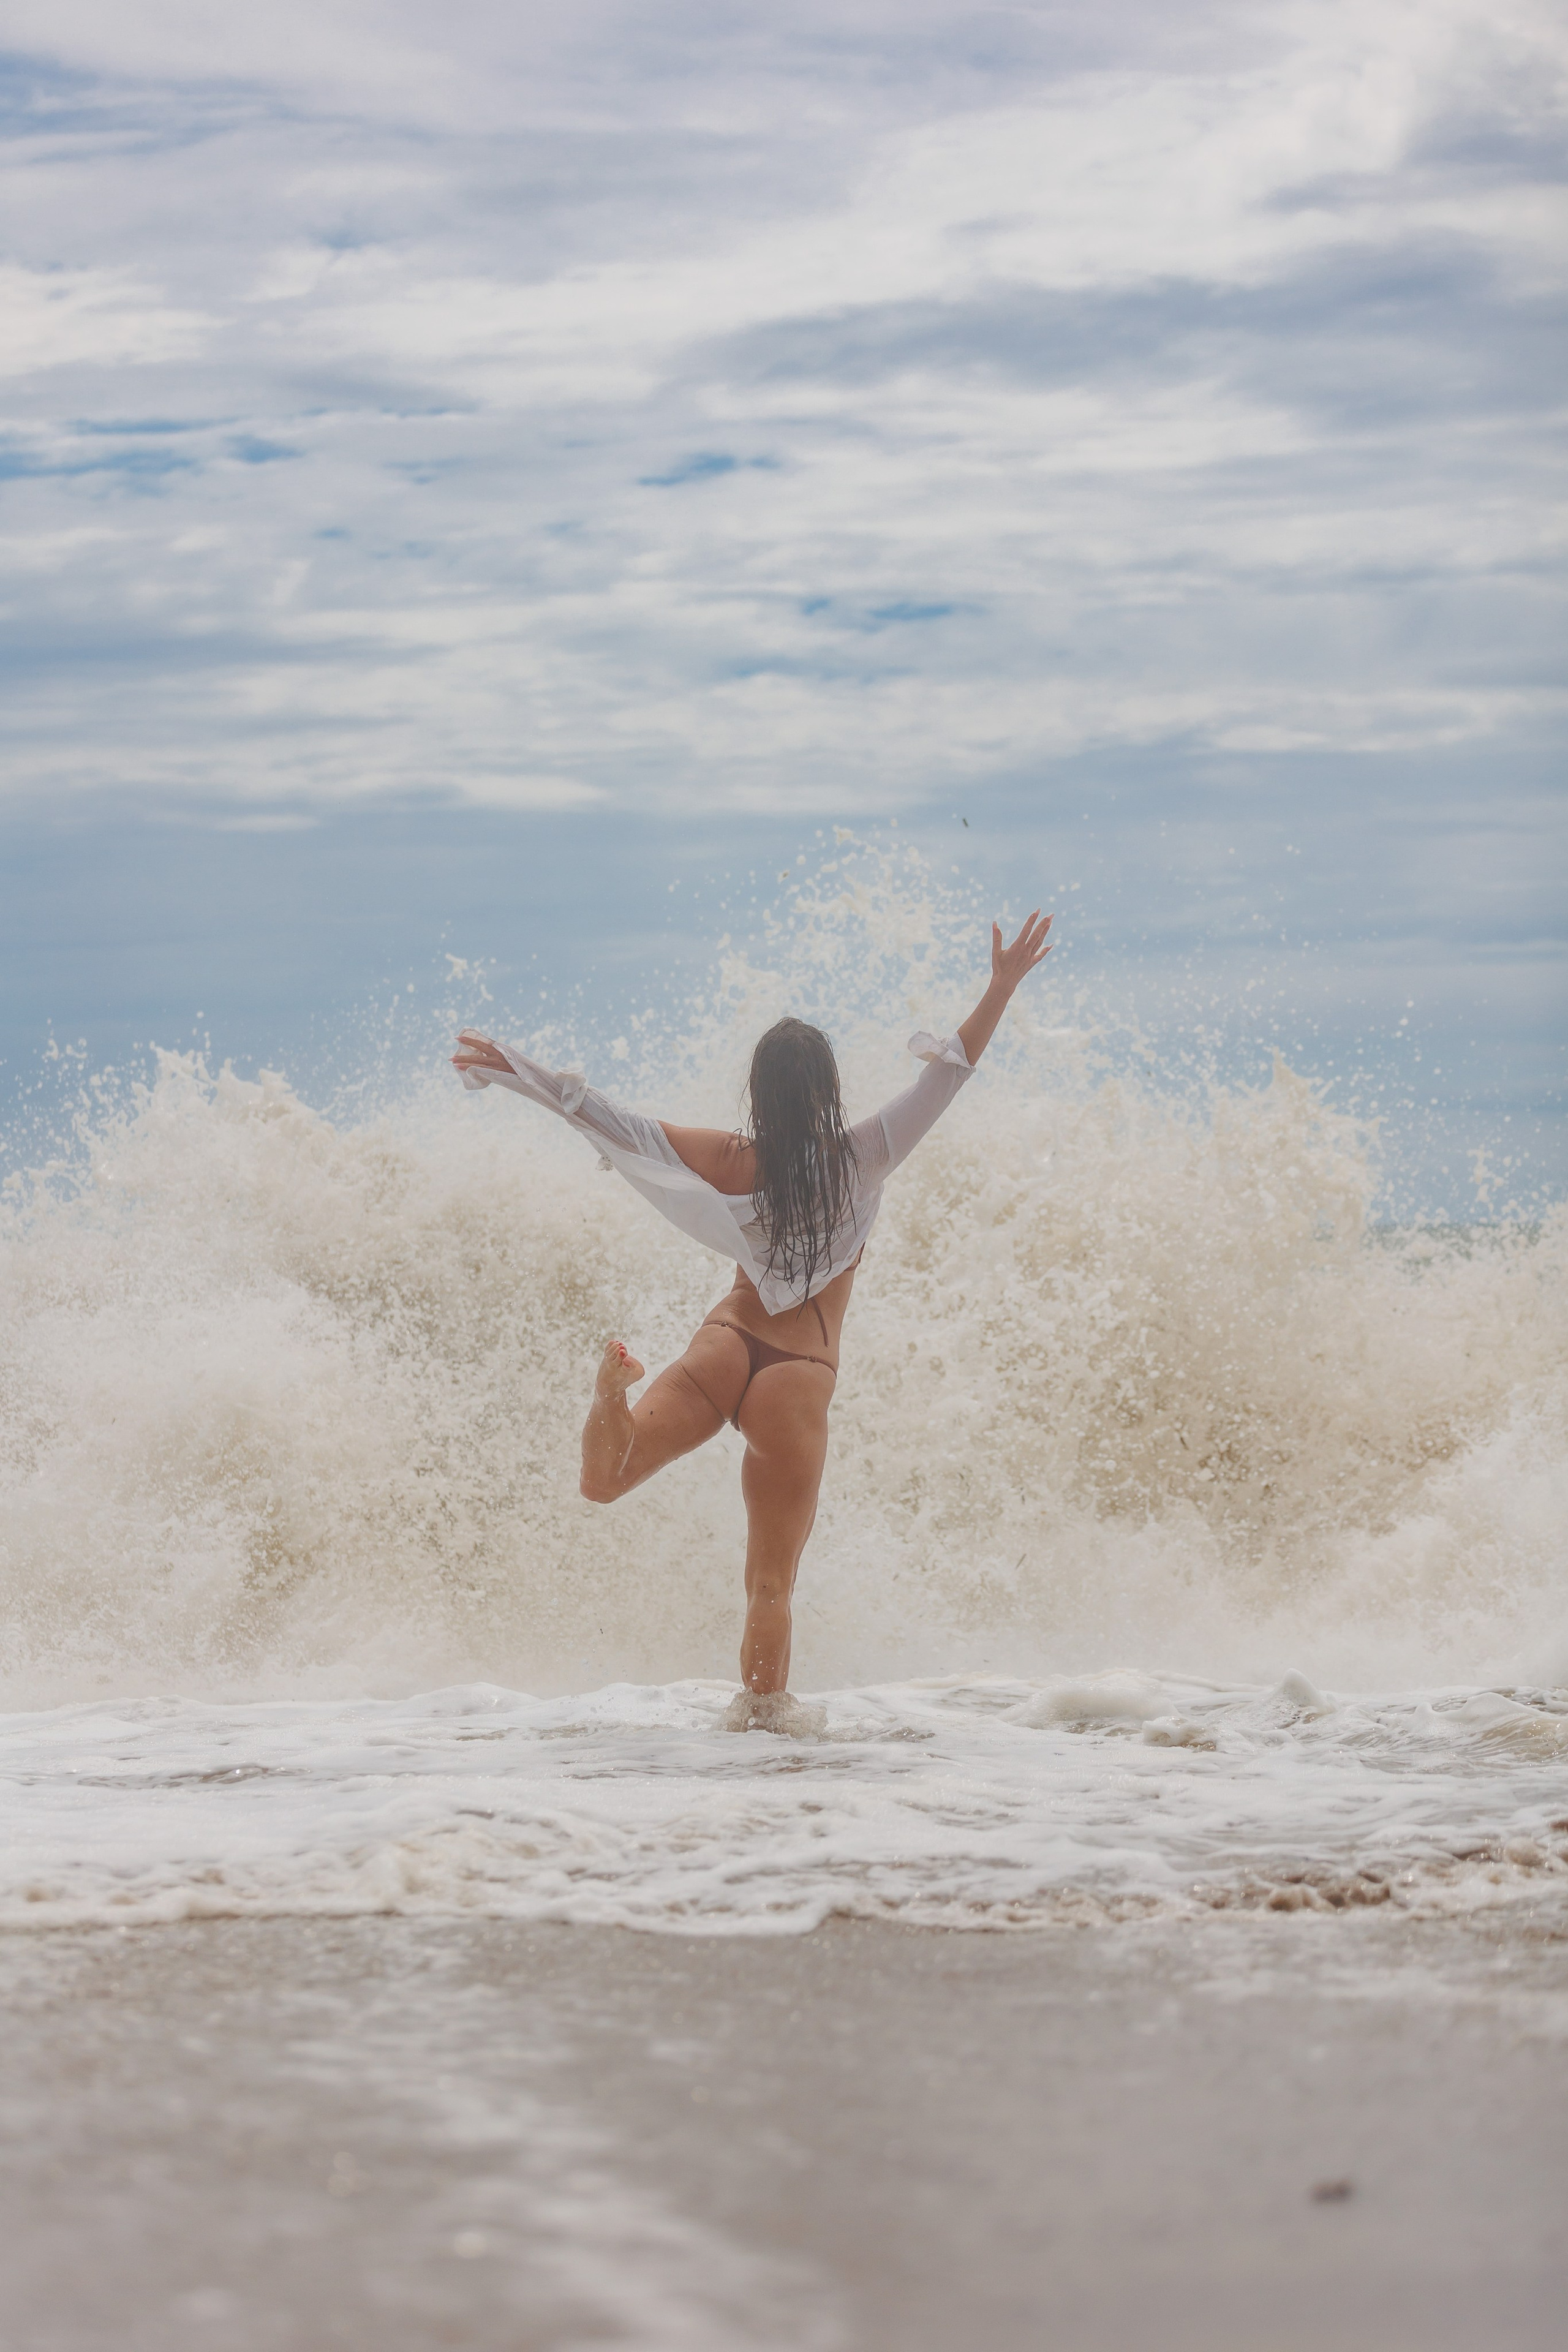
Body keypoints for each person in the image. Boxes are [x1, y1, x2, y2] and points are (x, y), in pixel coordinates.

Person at [451, 911, 1053, 1732]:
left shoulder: (730, 1158)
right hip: (797, 1382)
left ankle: (608, 1400)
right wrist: (1001, 985)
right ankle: (763, 1745)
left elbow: (609, 1120)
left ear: (758, 1096)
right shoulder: (865, 1154)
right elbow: (947, 1075)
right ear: (828, 1094)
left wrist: (515, 1067)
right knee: (769, 1588)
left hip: (724, 1345)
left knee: (604, 1480)